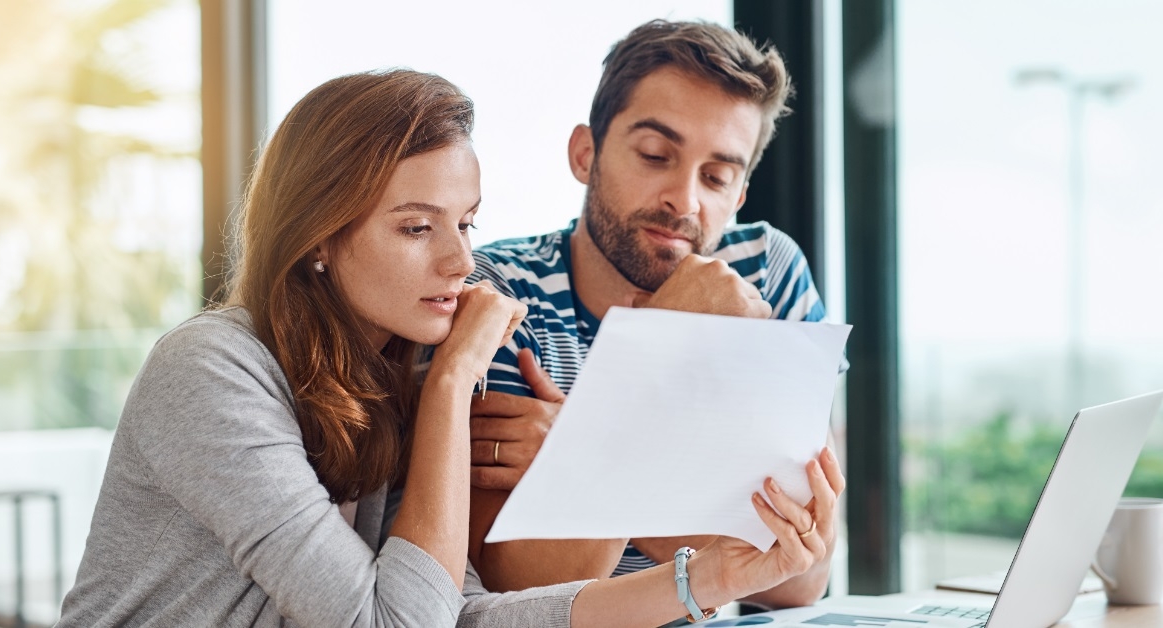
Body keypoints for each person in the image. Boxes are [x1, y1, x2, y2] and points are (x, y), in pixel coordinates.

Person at [59, 69, 842, 627]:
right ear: (319, 238)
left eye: (465, 223)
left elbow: (459, 611)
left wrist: (704, 580)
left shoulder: (392, 365)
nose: (463, 263)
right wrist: (454, 384)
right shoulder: (211, 370)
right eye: (415, 227)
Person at [466, 19, 846, 610]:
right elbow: (523, 588)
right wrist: (660, 342)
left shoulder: (766, 271)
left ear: (740, 193)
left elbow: (799, 575)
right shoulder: (500, 294)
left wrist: (575, 447)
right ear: (585, 154)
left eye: (717, 176)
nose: (685, 200)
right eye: (654, 155)